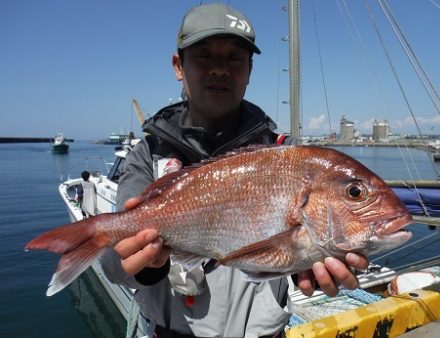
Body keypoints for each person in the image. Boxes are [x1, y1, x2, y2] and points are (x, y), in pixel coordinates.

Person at [100, 3, 368, 337]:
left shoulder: (285, 154)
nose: (220, 69)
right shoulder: (146, 156)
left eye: (234, 58)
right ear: (178, 65)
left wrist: (309, 266)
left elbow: (296, 248)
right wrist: (146, 264)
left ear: (250, 70)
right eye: (204, 55)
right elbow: (112, 265)